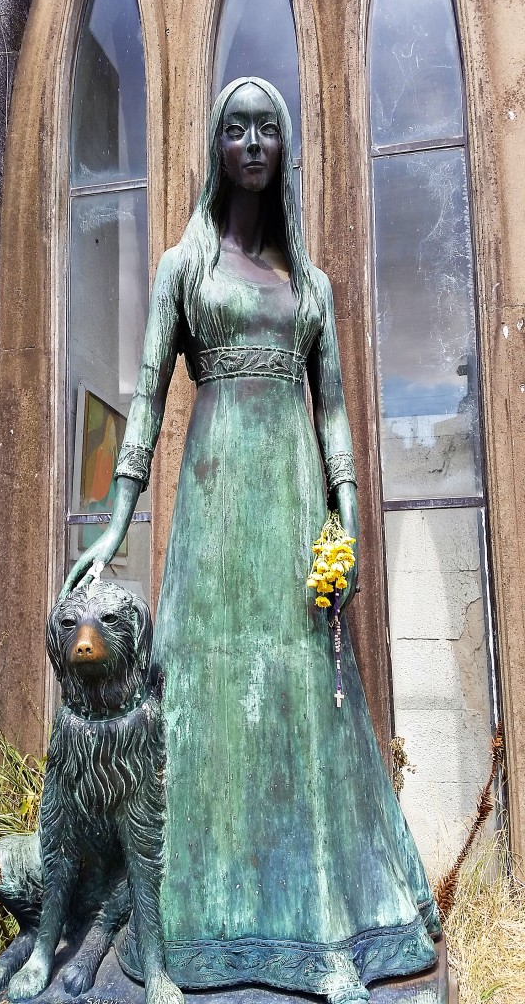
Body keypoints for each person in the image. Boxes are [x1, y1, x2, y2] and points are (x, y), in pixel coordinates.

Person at [62, 77, 440, 1003]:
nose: (254, 142)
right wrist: (115, 522)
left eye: (268, 129)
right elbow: (145, 400)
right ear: (218, 148)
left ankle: (322, 929)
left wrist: (346, 512)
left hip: (292, 513)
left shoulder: (312, 287)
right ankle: (187, 925)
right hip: (213, 508)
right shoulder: (180, 268)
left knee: (303, 705)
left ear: (284, 150)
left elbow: (337, 415)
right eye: (237, 129)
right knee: (194, 702)